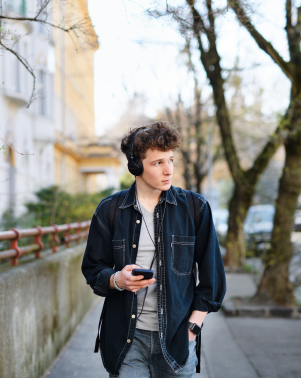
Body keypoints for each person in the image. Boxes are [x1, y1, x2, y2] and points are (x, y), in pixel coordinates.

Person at [81, 122, 227, 377]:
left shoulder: (195, 208)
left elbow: (212, 276)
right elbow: (93, 270)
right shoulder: (109, 210)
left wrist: (193, 326)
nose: (168, 170)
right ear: (135, 166)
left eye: (170, 160)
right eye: (158, 163)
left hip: (177, 340)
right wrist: (117, 280)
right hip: (127, 341)